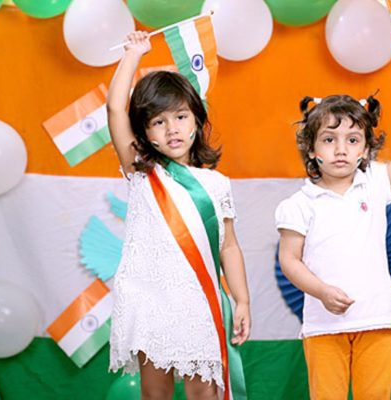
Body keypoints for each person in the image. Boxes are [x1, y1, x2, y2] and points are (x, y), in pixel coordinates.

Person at [106, 31, 250, 400]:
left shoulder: (216, 184)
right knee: (155, 393)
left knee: (204, 392)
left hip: (198, 301)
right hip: (150, 298)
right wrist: (133, 55)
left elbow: (229, 247)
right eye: (158, 121)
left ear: (197, 120)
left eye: (181, 116)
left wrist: (242, 299)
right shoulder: (141, 172)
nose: (172, 129)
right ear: (144, 131)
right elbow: (114, 108)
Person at [276, 68, 391, 399]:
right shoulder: (299, 203)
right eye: (329, 140)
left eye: (352, 140)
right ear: (312, 149)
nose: (341, 149)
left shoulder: (375, 182)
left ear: (365, 148)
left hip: (376, 320)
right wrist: (321, 290)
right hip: (323, 326)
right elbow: (289, 260)